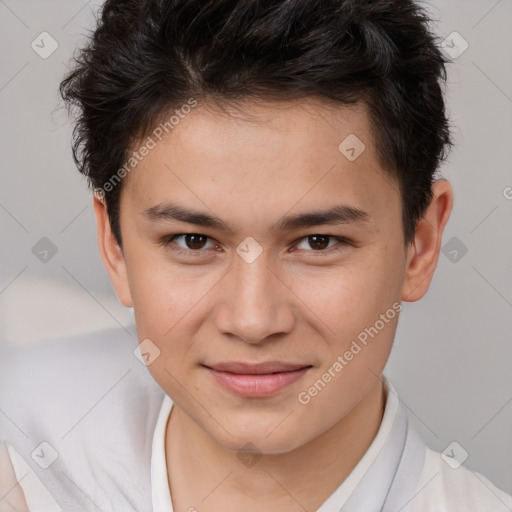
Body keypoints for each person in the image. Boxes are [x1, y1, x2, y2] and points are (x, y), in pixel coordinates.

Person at [1, 0, 511, 511]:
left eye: (318, 242)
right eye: (193, 241)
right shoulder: (20, 440)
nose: (252, 321)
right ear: (114, 246)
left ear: (419, 246)